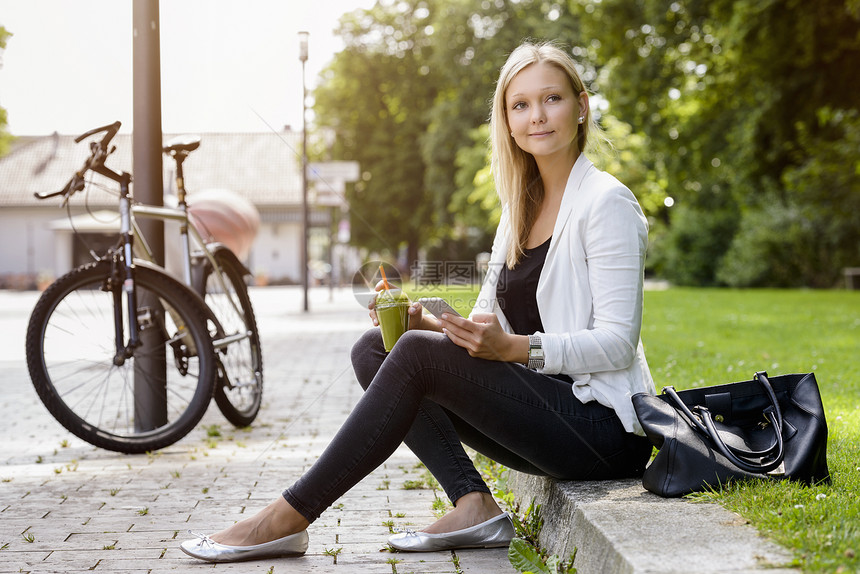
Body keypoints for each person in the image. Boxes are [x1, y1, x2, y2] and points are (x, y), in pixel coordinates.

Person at [180, 40, 656, 563]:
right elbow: (484, 322)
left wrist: (516, 349)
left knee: (416, 355)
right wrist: (425, 321)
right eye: (520, 105)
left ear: (581, 105)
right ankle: (472, 503)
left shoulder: (607, 202)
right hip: (543, 409)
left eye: (552, 99)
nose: (536, 116)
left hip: (603, 431)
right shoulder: (519, 208)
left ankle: (286, 517)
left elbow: (616, 345)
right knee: (376, 348)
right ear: (507, 120)